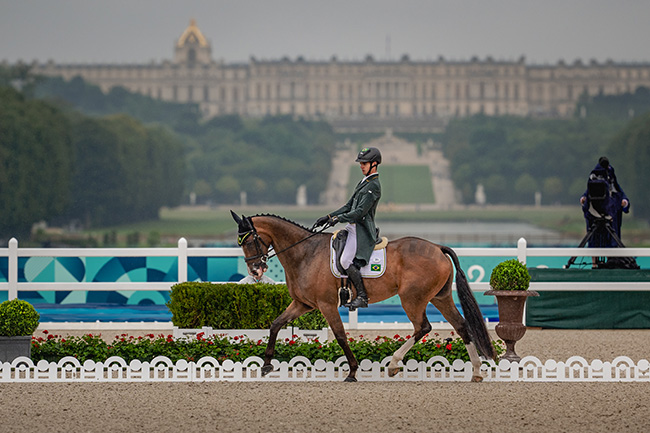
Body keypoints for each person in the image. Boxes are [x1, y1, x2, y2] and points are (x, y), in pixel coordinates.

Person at [314, 147, 382, 310]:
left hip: (362, 230)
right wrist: (330, 216)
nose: (361, 166)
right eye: (361, 163)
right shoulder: (363, 182)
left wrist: (338, 219)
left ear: (374, 164)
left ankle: (362, 296)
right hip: (352, 227)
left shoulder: (373, 185)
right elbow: (349, 205)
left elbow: (359, 213)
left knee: (345, 260)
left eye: (364, 163)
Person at [579, 156, 630, 248]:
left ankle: (610, 259)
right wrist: (584, 199)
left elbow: (618, 191)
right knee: (595, 240)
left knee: (609, 239)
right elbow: (588, 192)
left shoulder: (609, 174)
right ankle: (597, 261)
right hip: (596, 212)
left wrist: (624, 201)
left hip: (608, 214)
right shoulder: (595, 175)